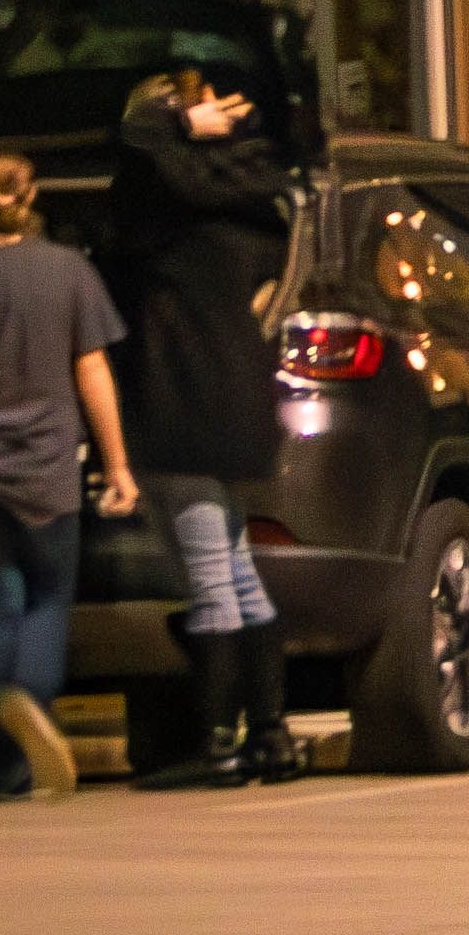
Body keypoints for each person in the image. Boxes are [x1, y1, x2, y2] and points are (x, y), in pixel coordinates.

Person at [0, 148, 142, 802]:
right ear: (30, 192)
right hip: (48, 467)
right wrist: (117, 465)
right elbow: (91, 372)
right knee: (46, 595)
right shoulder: (67, 272)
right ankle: (30, 699)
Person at [103, 65, 305, 790]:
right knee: (239, 575)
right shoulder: (253, 210)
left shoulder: (160, 214)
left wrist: (176, 123)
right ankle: (272, 737)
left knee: (211, 581)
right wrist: (204, 130)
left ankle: (217, 744)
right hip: (234, 406)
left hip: (175, 403)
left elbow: (131, 148)